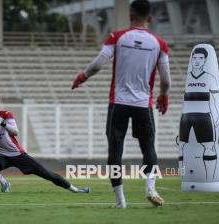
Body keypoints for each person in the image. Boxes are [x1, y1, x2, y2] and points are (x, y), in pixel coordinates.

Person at [71, 0, 171, 208]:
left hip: (118, 103)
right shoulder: (159, 44)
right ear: (150, 18)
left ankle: (120, 201)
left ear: (130, 16)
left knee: (115, 150)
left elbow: (98, 63)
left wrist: (82, 77)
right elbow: (166, 80)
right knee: (148, 147)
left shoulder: (117, 37)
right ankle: (150, 189)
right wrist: (164, 95)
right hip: (143, 104)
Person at [0, 91, 90, 193]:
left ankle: (75, 189)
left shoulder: (5, 115)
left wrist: (2, 122)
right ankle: (4, 183)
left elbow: (15, 132)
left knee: (47, 174)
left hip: (17, 154)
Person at [179, 47, 219, 180]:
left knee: (209, 147)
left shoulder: (210, 78)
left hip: (204, 116)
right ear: (191, 59)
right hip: (186, 117)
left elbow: (215, 100)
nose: (197, 61)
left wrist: (218, 118)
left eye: (200, 58)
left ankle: (210, 180)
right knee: (181, 147)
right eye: (195, 58)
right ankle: (185, 178)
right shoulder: (187, 78)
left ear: (205, 60)